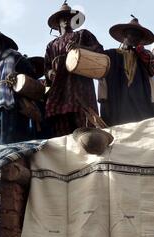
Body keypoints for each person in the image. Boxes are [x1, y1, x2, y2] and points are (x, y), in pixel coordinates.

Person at [45, 2, 104, 137]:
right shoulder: (51, 45)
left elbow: (100, 51)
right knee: (62, 135)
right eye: (62, 17)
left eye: (69, 17)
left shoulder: (83, 34)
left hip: (80, 90)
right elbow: (46, 68)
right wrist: (50, 73)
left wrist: (79, 47)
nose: (66, 20)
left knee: (87, 131)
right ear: (57, 22)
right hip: (59, 94)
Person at [0, 30, 37, 147]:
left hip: (14, 113)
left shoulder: (17, 59)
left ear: (3, 45)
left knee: (13, 147)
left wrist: (17, 77)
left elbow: (32, 78)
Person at [100, 16, 154, 126]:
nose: (135, 37)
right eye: (133, 34)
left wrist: (140, 49)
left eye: (139, 36)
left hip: (141, 101)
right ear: (125, 35)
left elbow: (152, 68)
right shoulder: (110, 55)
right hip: (117, 100)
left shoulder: (144, 55)